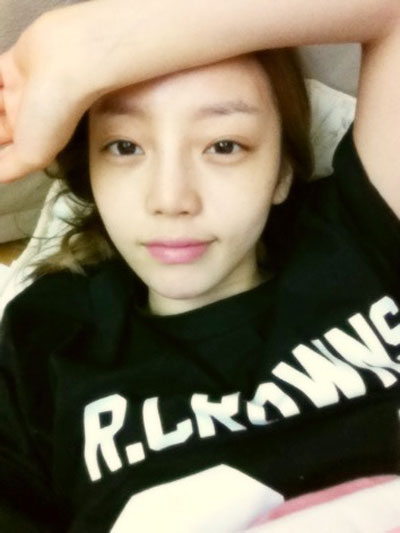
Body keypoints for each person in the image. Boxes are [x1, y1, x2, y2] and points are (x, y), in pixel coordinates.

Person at [0, 0, 399, 531]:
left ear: (282, 171)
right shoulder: (43, 337)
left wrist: (91, 41)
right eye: (124, 146)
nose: (171, 199)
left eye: (224, 145)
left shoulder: (361, 233)